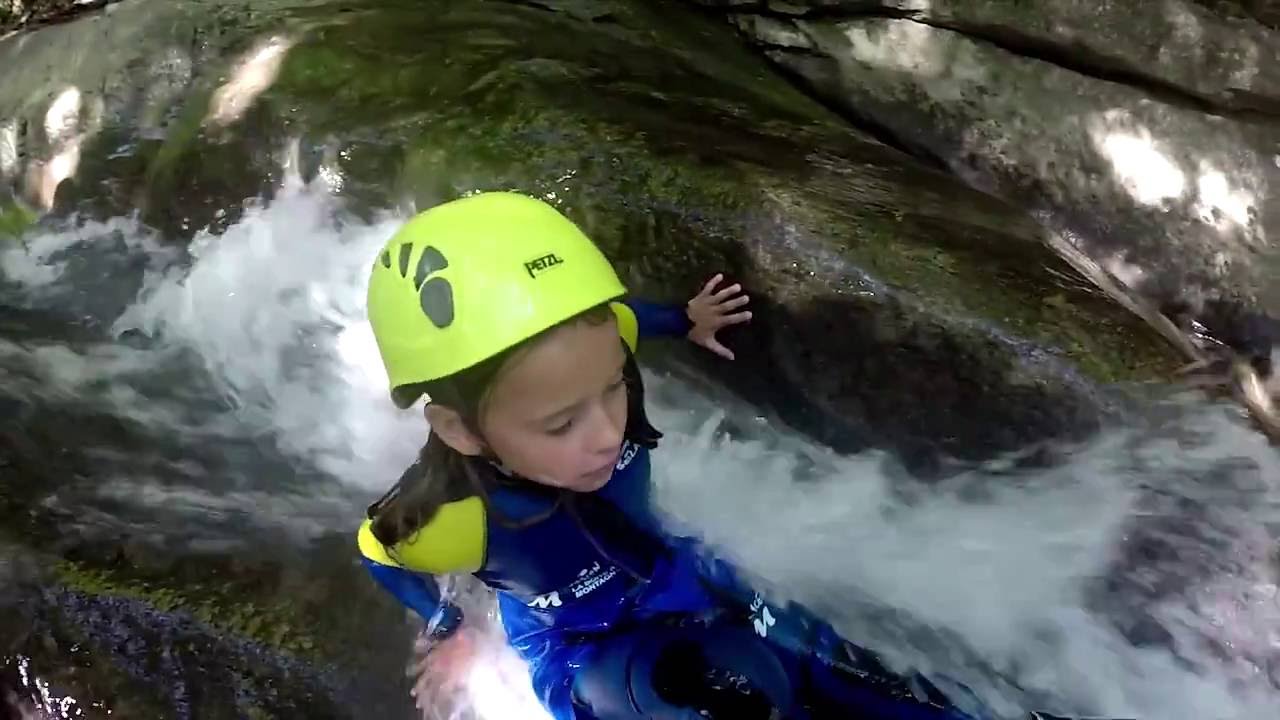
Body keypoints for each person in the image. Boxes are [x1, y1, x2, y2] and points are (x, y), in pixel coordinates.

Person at [355, 191, 982, 720]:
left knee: (846, 670)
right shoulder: (452, 521)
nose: (606, 433)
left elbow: (625, 325)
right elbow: (377, 551)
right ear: (460, 430)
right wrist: (447, 625)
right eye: (562, 424)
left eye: (612, 389)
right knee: (724, 695)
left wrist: (685, 319)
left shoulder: (598, 350)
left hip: (674, 571)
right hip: (583, 646)